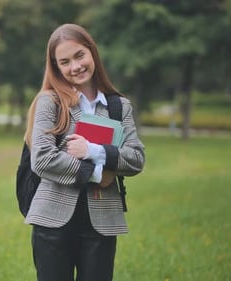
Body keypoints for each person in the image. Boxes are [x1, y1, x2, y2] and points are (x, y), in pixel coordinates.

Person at [24, 23, 145, 281]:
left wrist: (93, 150)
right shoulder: (51, 101)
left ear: (92, 53)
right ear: (56, 67)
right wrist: (97, 173)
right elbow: (42, 159)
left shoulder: (119, 107)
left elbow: (136, 158)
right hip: (52, 221)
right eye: (64, 62)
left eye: (80, 55)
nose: (75, 66)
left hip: (102, 221)